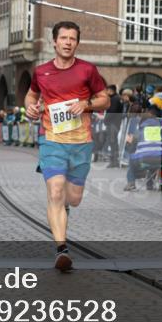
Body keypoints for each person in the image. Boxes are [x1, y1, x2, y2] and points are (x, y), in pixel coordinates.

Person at [24, 21, 110, 271]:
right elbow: (32, 95)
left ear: (77, 43)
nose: (68, 42)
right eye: (63, 38)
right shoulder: (41, 71)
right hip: (51, 139)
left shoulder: (87, 70)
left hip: (80, 142)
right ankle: (61, 249)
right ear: (54, 41)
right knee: (55, 191)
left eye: (73, 38)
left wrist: (87, 105)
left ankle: (64, 210)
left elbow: (104, 99)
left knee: (73, 198)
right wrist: (30, 106)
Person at [124, 104, 162, 191]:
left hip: (146, 159)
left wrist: (129, 143)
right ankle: (150, 185)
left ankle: (131, 183)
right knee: (152, 159)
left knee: (132, 159)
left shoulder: (140, 130)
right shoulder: (159, 129)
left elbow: (131, 149)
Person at [103, 85, 124, 168]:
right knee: (113, 142)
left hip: (113, 123)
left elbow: (112, 111)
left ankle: (114, 161)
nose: (106, 92)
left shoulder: (114, 99)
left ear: (111, 90)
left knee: (113, 142)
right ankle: (115, 160)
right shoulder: (118, 98)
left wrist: (105, 120)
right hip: (116, 123)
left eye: (107, 90)